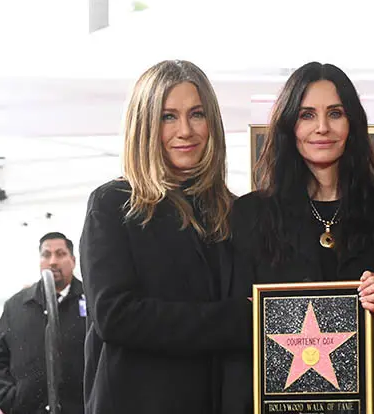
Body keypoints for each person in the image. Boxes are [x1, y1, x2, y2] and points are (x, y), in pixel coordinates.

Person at [227, 62, 374, 413]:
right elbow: (238, 335)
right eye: (306, 115)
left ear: (353, 124)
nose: (322, 128)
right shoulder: (250, 215)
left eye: (335, 113)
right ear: (289, 125)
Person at [79, 60, 249, 413]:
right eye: (168, 116)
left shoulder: (237, 212)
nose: (185, 130)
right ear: (143, 125)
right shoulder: (114, 205)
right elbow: (115, 316)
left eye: (197, 114)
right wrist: (236, 321)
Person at [0, 232, 86, 414]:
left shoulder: (92, 302)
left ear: (73, 260)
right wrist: (11, 401)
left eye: (60, 254)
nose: (53, 261)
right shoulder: (16, 306)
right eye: (46, 255)